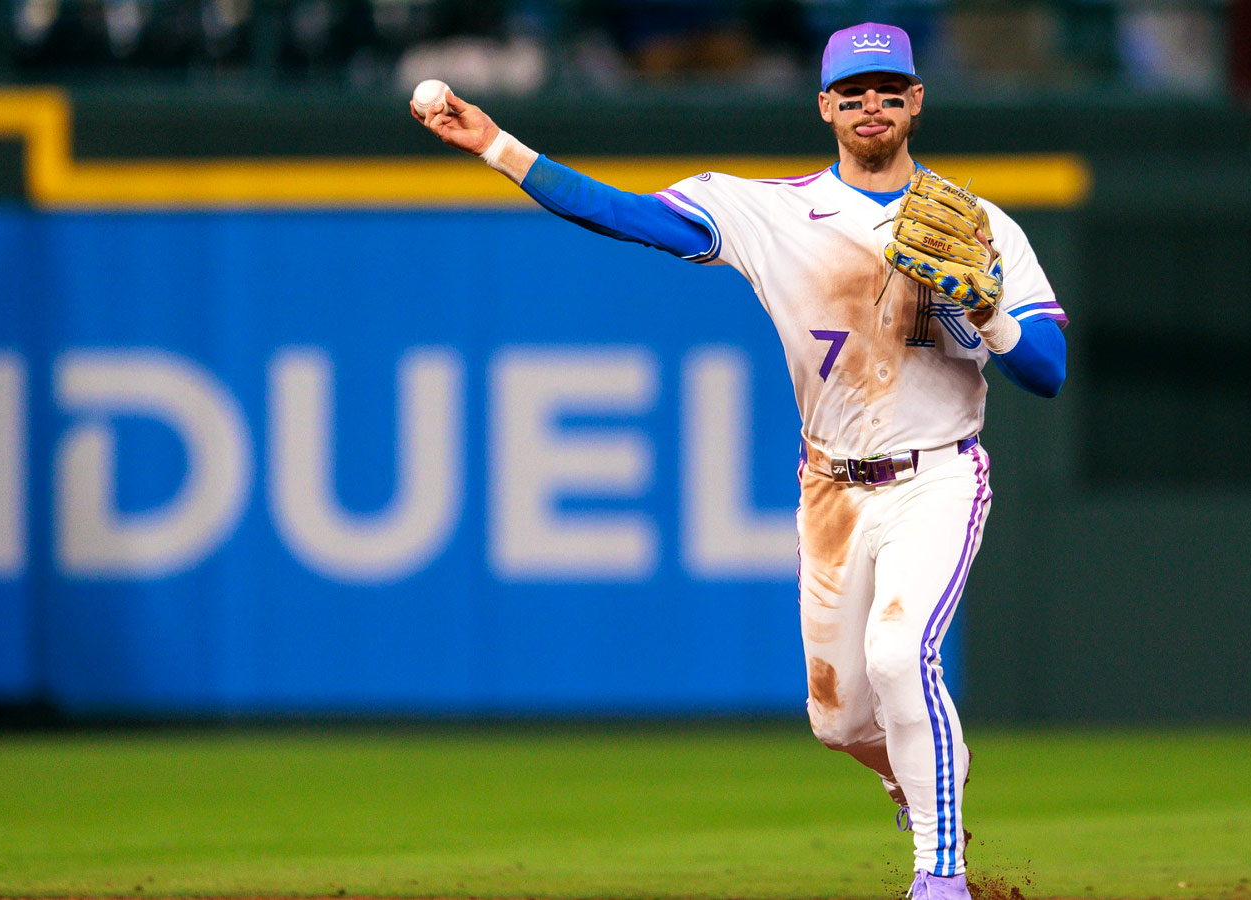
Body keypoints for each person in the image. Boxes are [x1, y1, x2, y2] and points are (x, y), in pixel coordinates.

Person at [412, 21, 1067, 900]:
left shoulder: (983, 227)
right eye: (852, 90)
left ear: (916, 100)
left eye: (888, 88)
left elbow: (1049, 372)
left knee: (900, 654)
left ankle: (938, 876)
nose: (871, 103)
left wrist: (989, 316)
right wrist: (496, 144)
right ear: (825, 106)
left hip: (938, 474)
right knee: (837, 722)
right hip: (833, 490)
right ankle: (920, 765)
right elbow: (628, 215)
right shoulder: (767, 211)